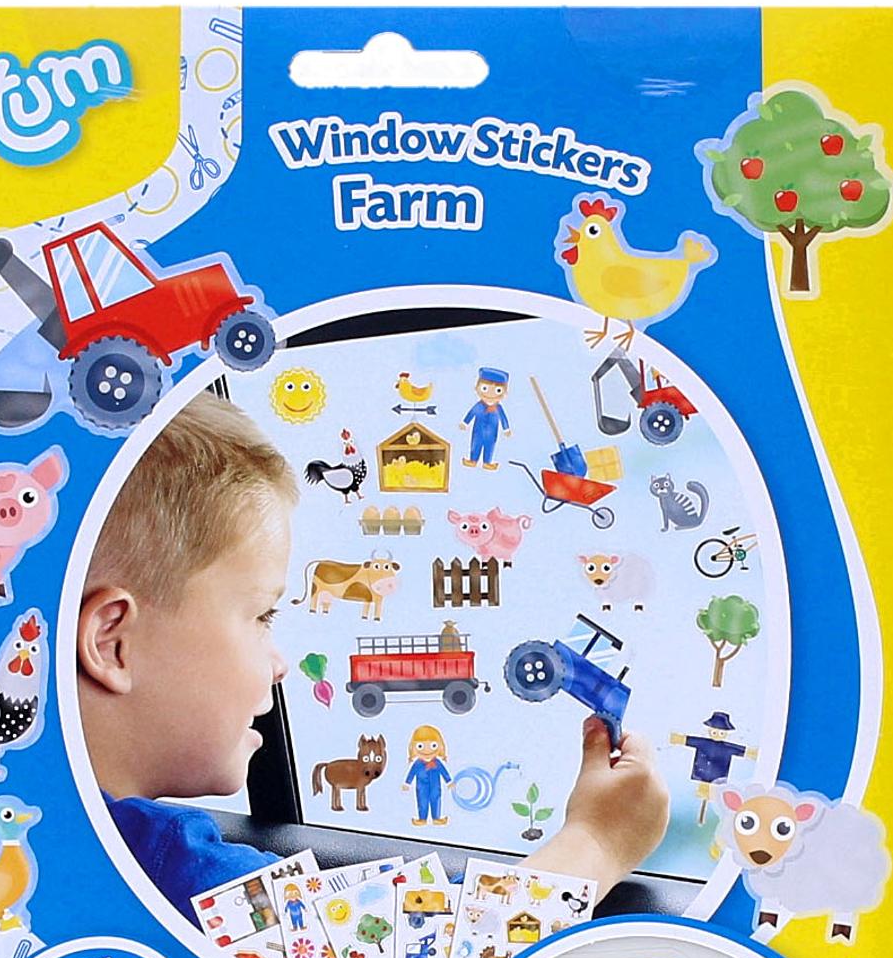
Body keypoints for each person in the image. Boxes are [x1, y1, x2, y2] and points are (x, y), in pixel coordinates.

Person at [78, 392, 669, 920]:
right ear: (113, 644)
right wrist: (596, 843)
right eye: (262, 617)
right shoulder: (169, 871)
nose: (280, 665)